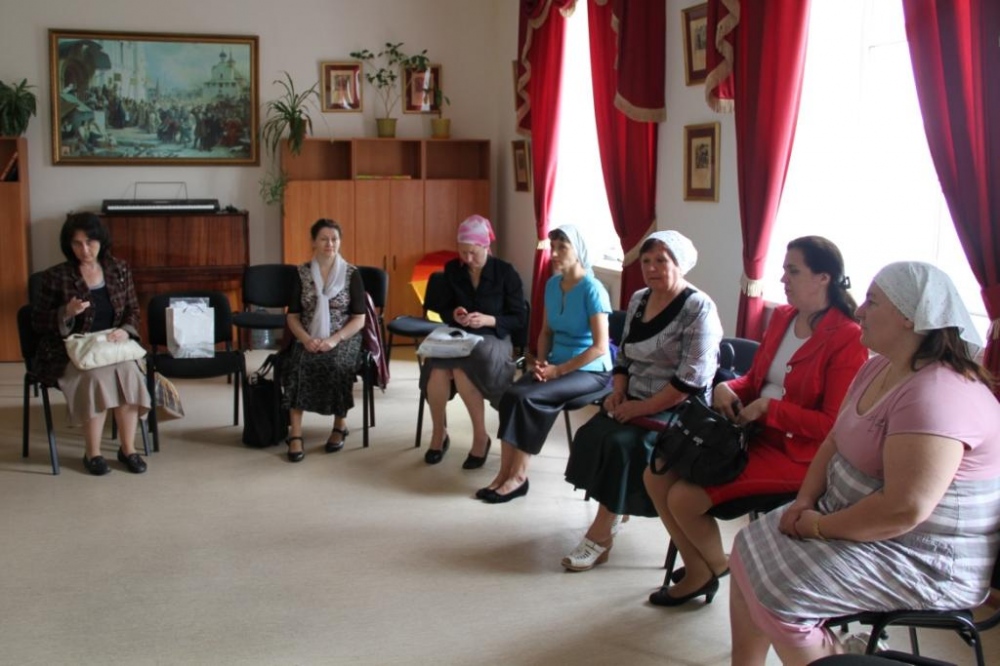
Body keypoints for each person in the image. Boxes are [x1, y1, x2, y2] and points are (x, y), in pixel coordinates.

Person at [729, 261, 1000, 666]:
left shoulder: (939, 394)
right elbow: (834, 439)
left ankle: (834, 658)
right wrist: (804, 502)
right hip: (855, 521)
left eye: (872, 302)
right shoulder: (878, 366)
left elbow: (903, 510)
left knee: (784, 595)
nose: (859, 310)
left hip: (921, 555)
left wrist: (817, 526)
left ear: (910, 317)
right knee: (746, 549)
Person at [643, 236, 868, 606]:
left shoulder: (848, 337)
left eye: (793, 271)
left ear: (823, 278)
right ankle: (702, 566)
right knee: (655, 474)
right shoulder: (782, 317)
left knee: (684, 498)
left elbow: (831, 424)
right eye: (784, 270)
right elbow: (754, 380)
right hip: (749, 434)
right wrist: (726, 387)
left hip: (800, 454)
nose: (783, 279)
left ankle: (711, 567)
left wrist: (768, 409)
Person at [562, 230, 723, 571]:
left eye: (661, 260)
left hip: (680, 410)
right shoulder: (639, 299)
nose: (651, 268)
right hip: (634, 396)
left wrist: (642, 407)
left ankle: (600, 535)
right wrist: (618, 392)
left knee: (623, 444)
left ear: (680, 264)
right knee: (593, 434)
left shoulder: (699, 308)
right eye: (646, 261)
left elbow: (690, 380)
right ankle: (615, 510)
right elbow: (624, 357)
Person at [480, 225, 613, 504]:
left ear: (578, 251)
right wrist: (541, 364)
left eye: (562, 247)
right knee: (511, 395)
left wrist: (558, 371)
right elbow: (546, 332)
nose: (554, 253)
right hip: (555, 364)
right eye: (552, 247)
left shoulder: (593, 290)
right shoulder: (552, 285)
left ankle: (518, 477)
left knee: (528, 398)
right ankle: (504, 473)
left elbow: (600, 347)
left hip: (591, 371)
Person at [32, 212, 151, 476]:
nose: (84, 250)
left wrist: (125, 331)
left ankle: (128, 449)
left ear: (101, 241)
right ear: (68, 245)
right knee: (95, 377)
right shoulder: (56, 276)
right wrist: (66, 312)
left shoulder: (119, 270)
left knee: (130, 374)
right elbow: (37, 321)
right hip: (71, 351)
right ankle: (92, 453)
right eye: (77, 243)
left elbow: (133, 309)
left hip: (112, 347)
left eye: (90, 242)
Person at [420, 215, 527, 468]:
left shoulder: (505, 272)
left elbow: (519, 318)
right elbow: (444, 309)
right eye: (462, 252)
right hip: (461, 334)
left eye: (473, 253)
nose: (467, 258)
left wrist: (489, 320)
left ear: (485, 247)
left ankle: (480, 437)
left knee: (462, 367)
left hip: (495, 336)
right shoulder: (453, 269)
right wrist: (455, 314)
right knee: (436, 366)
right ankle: (439, 433)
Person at [281, 219, 366, 462]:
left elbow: (359, 319)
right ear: (313, 242)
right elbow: (293, 316)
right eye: (324, 239)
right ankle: (295, 434)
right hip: (308, 335)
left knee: (338, 366)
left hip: (343, 336)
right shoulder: (301, 273)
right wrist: (306, 339)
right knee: (297, 365)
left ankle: (339, 425)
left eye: (334, 239)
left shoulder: (351, 274)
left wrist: (334, 340)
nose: (330, 244)